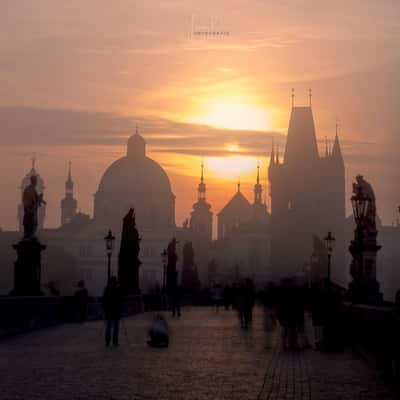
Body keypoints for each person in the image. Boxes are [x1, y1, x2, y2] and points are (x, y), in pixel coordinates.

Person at [102, 276, 124, 347]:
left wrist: (105, 310)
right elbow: (120, 300)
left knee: (108, 326)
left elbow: (104, 300)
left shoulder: (107, 289)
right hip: (116, 310)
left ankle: (107, 341)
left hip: (109, 311)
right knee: (116, 327)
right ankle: (115, 341)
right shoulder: (117, 289)